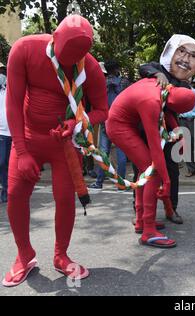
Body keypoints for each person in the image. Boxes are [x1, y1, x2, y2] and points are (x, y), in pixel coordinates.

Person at [3, 15, 108, 287]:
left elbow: (102, 111)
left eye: (75, 59)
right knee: (15, 194)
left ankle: (61, 255)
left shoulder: (91, 69)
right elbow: (13, 102)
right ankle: (24, 254)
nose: (67, 63)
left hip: (63, 144)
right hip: (28, 137)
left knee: (64, 198)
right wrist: (22, 151)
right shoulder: (25, 49)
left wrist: (76, 122)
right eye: (63, 56)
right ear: (53, 36)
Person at [107, 80, 195, 249]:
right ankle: (148, 231)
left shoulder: (163, 88)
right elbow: (156, 149)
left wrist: (179, 134)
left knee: (145, 170)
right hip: (119, 127)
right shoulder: (151, 102)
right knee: (152, 172)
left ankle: (141, 220)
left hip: (124, 123)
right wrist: (167, 182)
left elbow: (167, 113)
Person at [137, 34, 195, 225]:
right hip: (143, 132)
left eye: (192, 56)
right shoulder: (156, 69)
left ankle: (171, 209)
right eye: (181, 52)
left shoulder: (184, 84)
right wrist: (157, 75)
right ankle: (139, 211)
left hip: (168, 133)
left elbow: (181, 105)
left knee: (172, 172)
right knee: (143, 171)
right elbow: (143, 68)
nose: (184, 59)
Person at [89, 60, 129, 190]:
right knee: (121, 152)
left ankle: (99, 182)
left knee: (103, 153)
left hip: (105, 119)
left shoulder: (102, 83)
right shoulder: (125, 83)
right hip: (120, 120)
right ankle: (121, 184)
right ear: (117, 69)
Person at [0, 64, 10, 203]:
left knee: (3, 163)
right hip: (1, 133)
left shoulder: (10, 90)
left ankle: (7, 190)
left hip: (9, 133)